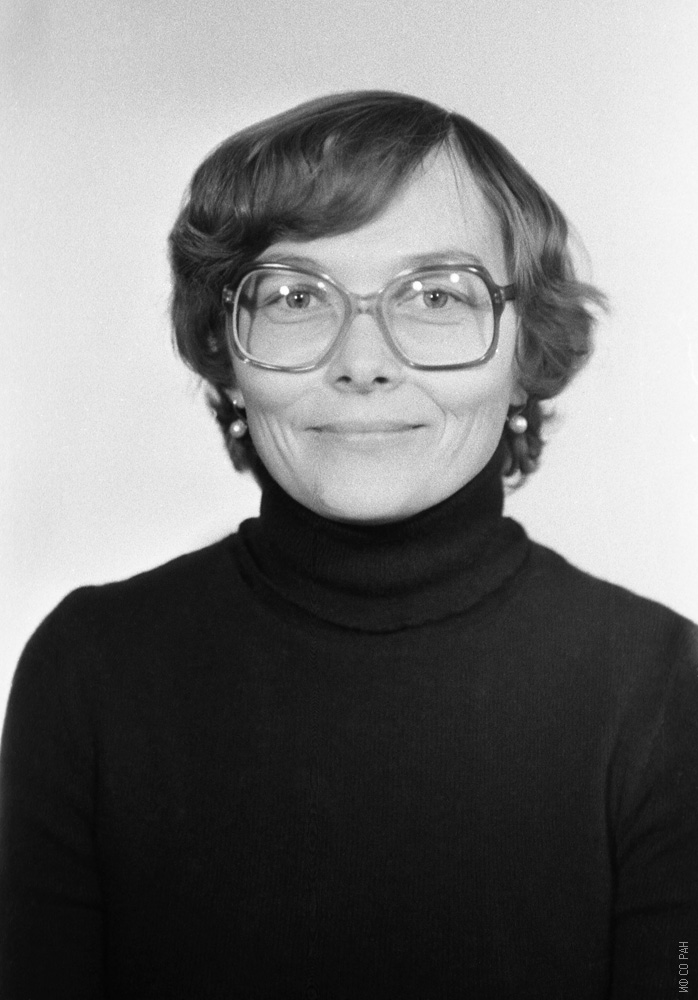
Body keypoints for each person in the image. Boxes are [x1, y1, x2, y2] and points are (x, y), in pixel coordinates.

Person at [1, 90, 696, 1000]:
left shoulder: (665, 688)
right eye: (295, 296)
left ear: (526, 349)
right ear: (225, 348)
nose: (362, 362)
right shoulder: (89, 671)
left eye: (437, 295)